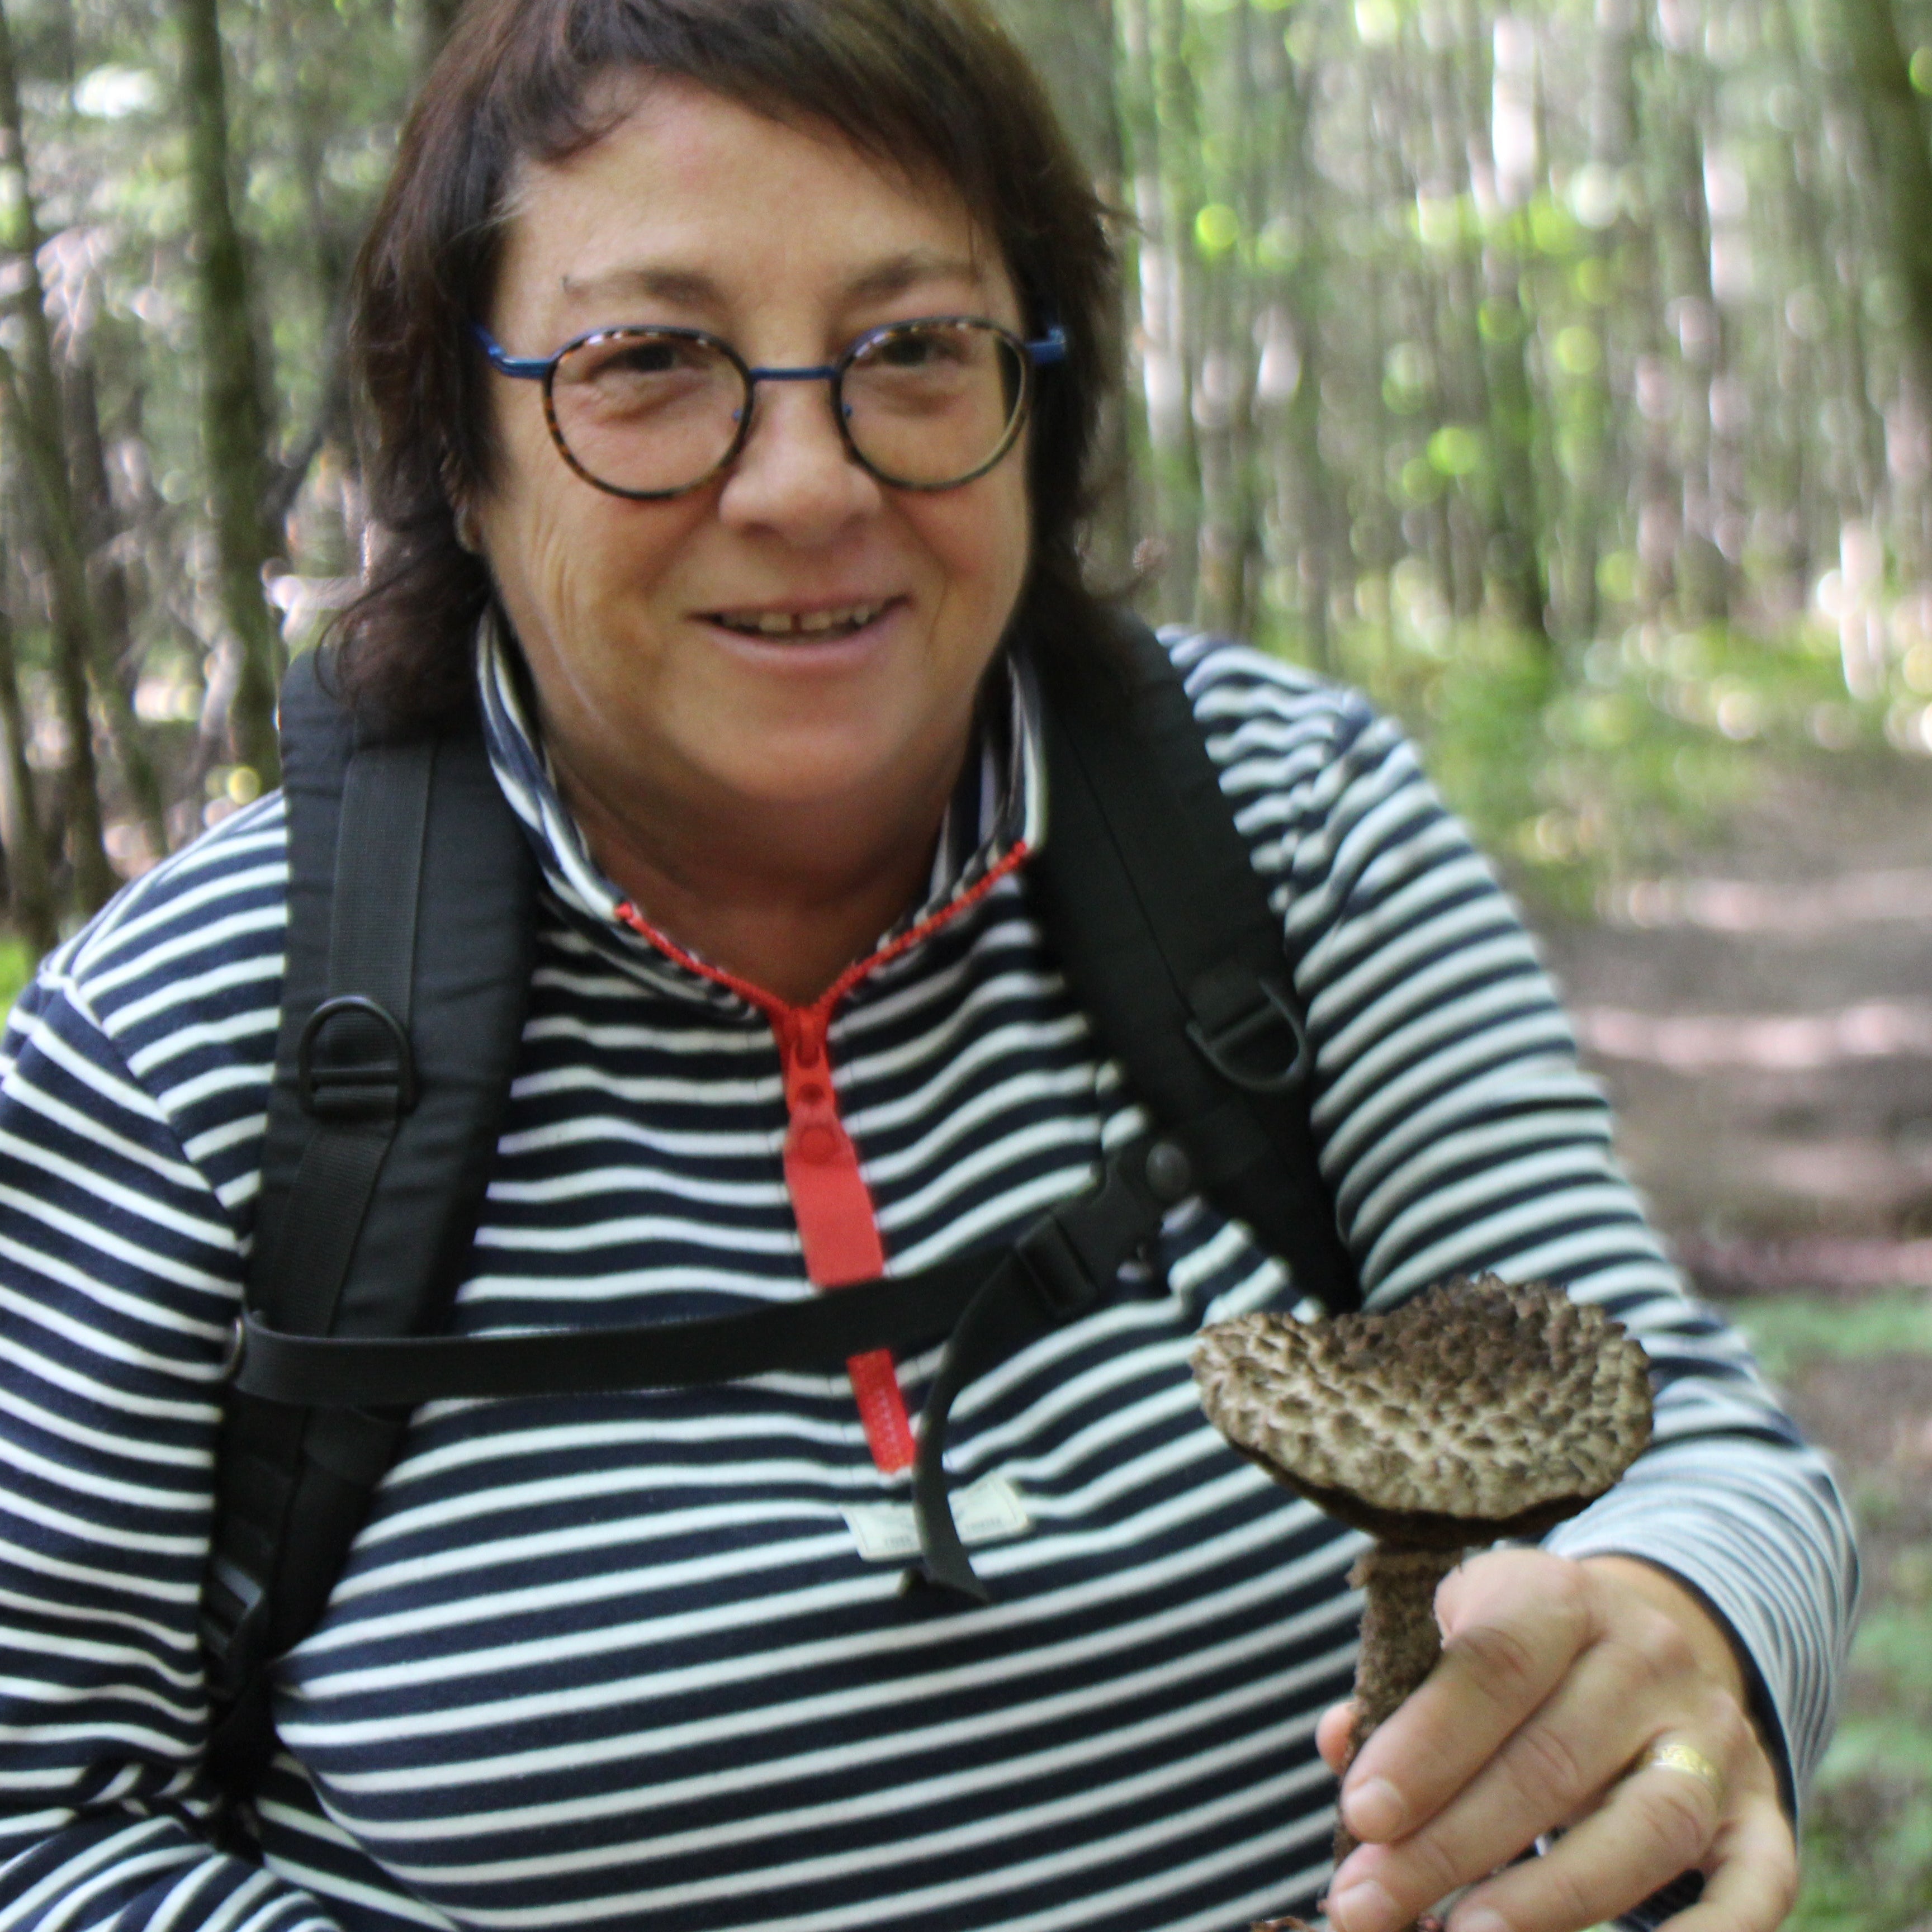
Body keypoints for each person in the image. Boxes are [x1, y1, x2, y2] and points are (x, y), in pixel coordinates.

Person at [0, 3, 1855, 1930]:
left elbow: (1677, 1433)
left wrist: (1681, 1627)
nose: (807, 483)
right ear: (458, 449)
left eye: (912, 349)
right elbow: (41, 1820)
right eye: (648, 363)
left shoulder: (1284, 829)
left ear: (1036, 400)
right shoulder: (190, 1043)